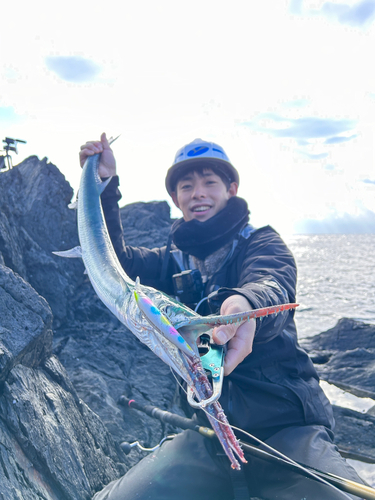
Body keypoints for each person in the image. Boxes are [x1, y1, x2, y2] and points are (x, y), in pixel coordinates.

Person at [80, 134, 364, 500]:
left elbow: (272, 281)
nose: (198, 192)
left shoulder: (262, 242)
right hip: (208, 435)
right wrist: (102, 184)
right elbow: (111, 262)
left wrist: (246, 307)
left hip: (288, 429)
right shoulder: (172, 260)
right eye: (187, 185)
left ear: (231, 189)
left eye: (210, 182)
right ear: (176, 198)